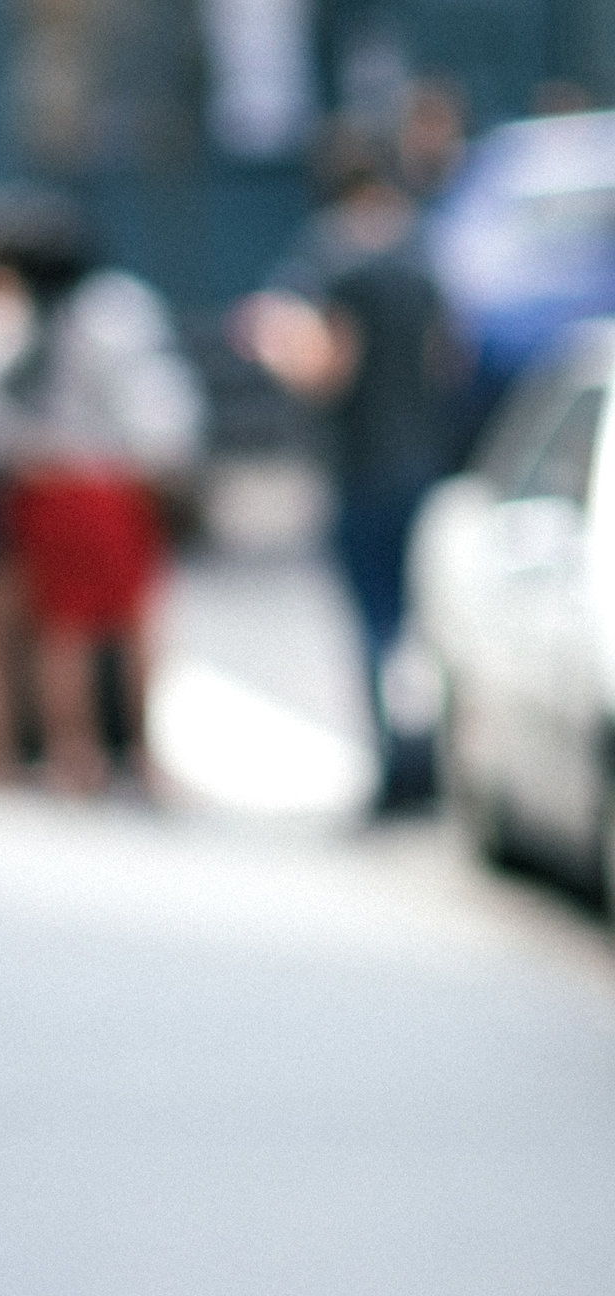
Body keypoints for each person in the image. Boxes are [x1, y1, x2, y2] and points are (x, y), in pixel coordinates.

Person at [232, 124, 464, 812]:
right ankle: (430, 760)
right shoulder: (422, 249)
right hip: (422, 458)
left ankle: (396, 767)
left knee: (373, 620)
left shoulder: (330, 256)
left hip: (359, 462)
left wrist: (270, 343)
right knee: (420, 616)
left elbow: (326, 365)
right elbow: (449, 356)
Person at [0, 223, 204, 794]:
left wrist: (23, 453)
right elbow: (160, 406)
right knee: (131, 630)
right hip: (112, 483)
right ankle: (141, 754)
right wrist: (162, 466)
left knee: (62, 631)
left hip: (47, 487)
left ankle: (71, 757)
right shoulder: (116, 309)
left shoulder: (6, 314)